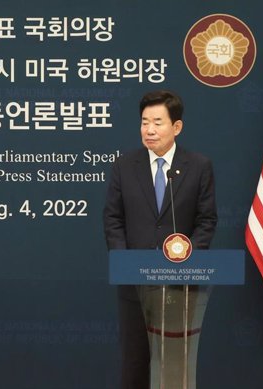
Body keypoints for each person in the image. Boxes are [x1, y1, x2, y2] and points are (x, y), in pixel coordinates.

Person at [103, 90, 217, 389]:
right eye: (144, 122)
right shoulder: (124, 166)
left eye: (157, 122)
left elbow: (206, 221)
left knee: (175, 365)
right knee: (135, 363)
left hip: (180, 285)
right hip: (135, 286)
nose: (149, 130)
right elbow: (112, 219)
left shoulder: (198, 166)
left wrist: (187, 259)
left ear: (176, 127)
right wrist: (124, 261)